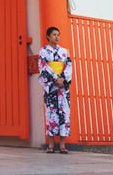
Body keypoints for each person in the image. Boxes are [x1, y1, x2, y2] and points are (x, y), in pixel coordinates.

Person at [38, 26, 72, 154]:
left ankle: (62, 145)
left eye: (58, 35)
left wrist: (63, 79)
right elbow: (43, 66)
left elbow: (69, 65)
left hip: (62, 87)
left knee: (64, 113)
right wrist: (55, 78)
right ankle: (51, 145)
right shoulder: (43, 51)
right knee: (51, 114)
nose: (57, 37)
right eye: (54, 35)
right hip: (51, 86)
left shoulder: (64, 52)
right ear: (48, 36)